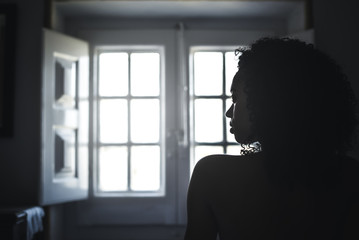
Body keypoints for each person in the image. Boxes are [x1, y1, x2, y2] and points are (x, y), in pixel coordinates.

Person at [184, 37, 359, 240]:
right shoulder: (351, 175)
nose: (229, 112)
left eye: (235, 98)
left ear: (265, 100)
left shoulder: (210, 174)